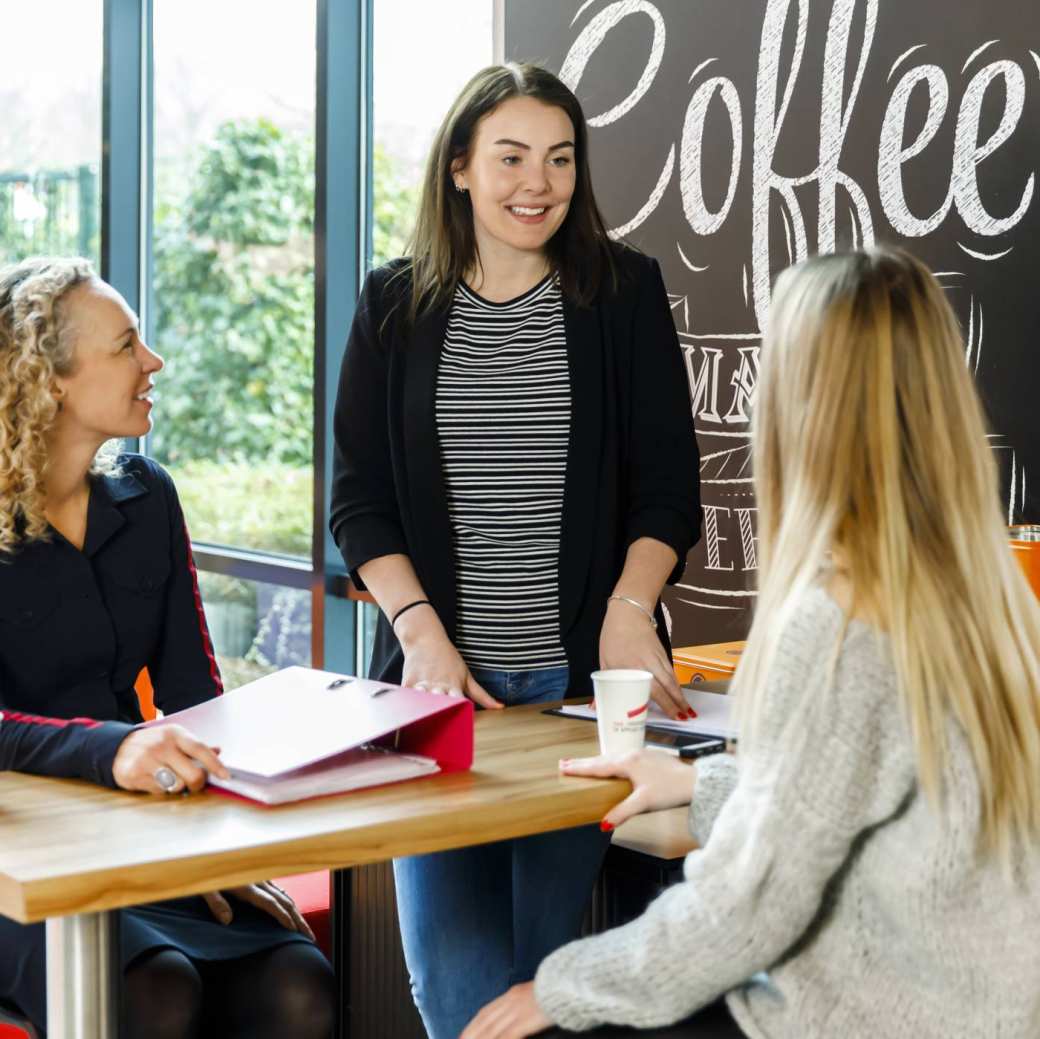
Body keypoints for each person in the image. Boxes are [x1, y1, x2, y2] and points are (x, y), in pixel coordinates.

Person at [462, 245, 1040, 1039]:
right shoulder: (987, 593)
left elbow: (745, 908)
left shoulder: (839, 618)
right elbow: (848, 793)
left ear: (802, 403)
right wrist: (700, 785)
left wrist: (558, 989)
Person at [329, 63, 701, 1039]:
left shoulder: (622, 293)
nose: (535, 182)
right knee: (451, 988)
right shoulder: (392, 305)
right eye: (508, 157)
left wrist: (629, 609)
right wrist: (419, 634)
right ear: (458, 167)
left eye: (558, 158)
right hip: (439, 699)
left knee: (534, 988)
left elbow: (667, 487)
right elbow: (357, 503)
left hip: (577, 699)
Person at [0, 257, 335, 1039]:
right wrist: (114, 750)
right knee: (154, 990)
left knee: (297, 982)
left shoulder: (148, 496)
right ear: (51, 381)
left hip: (140, 837)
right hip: (16, 858)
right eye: (127, 346)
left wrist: (227, 845)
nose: (153, 363)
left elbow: (198, 698)